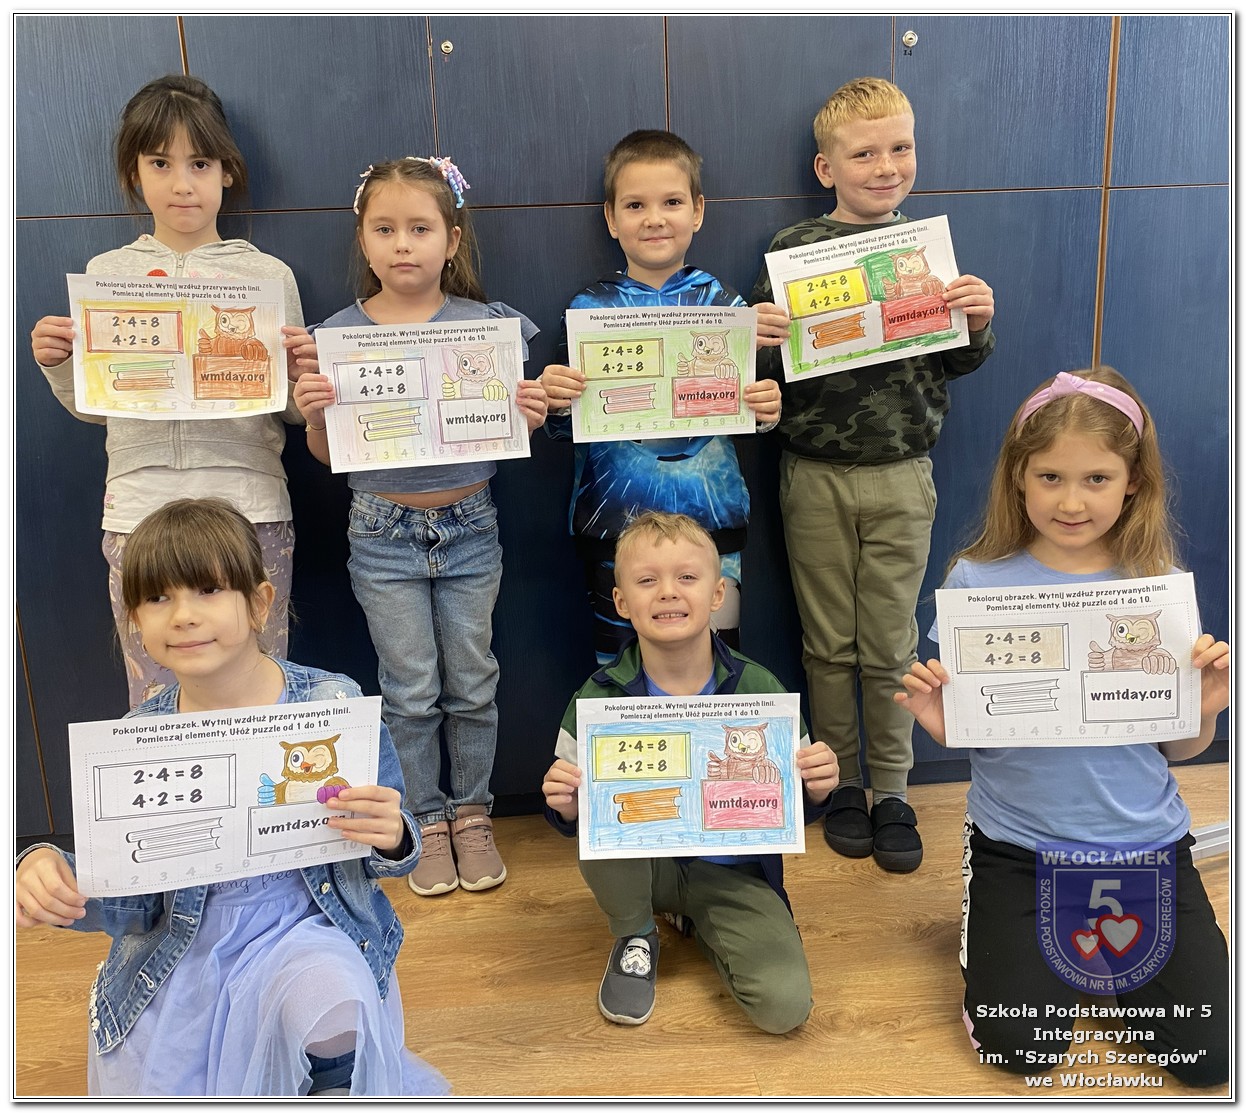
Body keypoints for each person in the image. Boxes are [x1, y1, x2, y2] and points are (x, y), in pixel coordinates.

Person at [14, 498, 450, 1097]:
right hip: (187, 947)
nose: (183, 616)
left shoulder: (331, 703)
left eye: (209, 590)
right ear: (135, 620)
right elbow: (132, 900)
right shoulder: (138, 738)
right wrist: (56, 876)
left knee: (332, 997)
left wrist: (393, 834)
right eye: (157, 598)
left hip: (309, 922)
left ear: (259, 603)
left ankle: (330, 1079)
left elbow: (390, 847)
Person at [895, 367, 1230, 1087]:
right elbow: (975, 726)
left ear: (1133, 482)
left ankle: (1094, 945)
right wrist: (943, 724)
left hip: (1144, 845)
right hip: (1020, 847)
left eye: (1096, 479)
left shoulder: (1155, 584)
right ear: (1019, 476)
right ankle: (1032, 931)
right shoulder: (977, 581)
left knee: (1211, 1052)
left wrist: (1203, 708)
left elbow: (1179, 749)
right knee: (1022, 1048)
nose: (1070, 501)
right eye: (1049, 476)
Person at [748, 77, 997, 872]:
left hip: (902, 473)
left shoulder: (927, 255)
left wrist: (977, 319)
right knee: (827, 645)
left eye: (900, 148)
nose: (886, 166)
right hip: (812, 473)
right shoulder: (792, 252)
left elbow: (958, 362)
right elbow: (760, 372)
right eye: (863, 154)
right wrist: (757, 335)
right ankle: (843, 782)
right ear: (827, 168)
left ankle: (892, 787)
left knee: (891, 644)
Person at [292, 156, 548, 898]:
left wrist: (529, 414)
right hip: (381, 530)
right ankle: (425, 818)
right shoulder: (336, 336)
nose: (402, 244)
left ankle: (473, 813)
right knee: (409, 688)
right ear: (363, 240)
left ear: (452, 239)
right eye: (384, 229)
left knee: (472, 681)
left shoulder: (488, 327)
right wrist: (315, 416)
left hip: (471, 525)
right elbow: (328, 456)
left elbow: (512, 429)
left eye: (420, 228)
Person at [29, 74, 316, 710]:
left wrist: (304, 374)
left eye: (200, 163)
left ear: (227, 171)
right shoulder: (109, 275)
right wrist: (59, 364)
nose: (182, 183)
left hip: (249, 502)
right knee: (158, 692)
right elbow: (96, 406)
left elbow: (294, 410)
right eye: (160, 163)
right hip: (139, 507)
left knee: (261, 683)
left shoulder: (267, 276)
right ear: (134, 174)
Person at [541, 511, 839, 1031]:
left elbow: (791, 806)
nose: (667, 592)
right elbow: (570, 811)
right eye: (647, 580)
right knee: (600, 817)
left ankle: (699, 918)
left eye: (686, 577)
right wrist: (565, 807)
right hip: (642, 868)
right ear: (620, 602)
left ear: (718, 594)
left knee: (784, 1007)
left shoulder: (759, 690)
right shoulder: (597, 700)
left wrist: (816, 789)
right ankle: (636, 934)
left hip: (732, 873)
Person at [539, 129, 789, 665]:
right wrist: (553, 401)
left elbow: (747, 410)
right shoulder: (588, 309)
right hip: (614, 527)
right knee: (620, 671)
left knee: (719, 667)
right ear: (611, 219)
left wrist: (765, 411)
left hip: (712, 525)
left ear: (698, 211)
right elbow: (563, 426)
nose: (654, 218)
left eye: (671, 202)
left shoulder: (726, 305)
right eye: (635, 205)